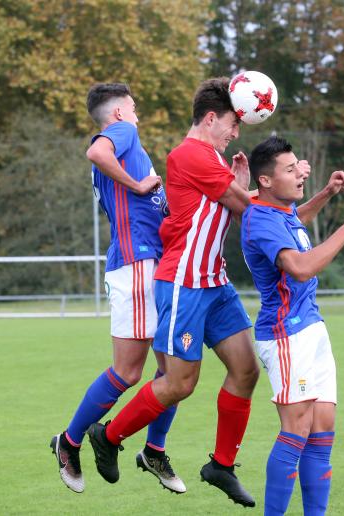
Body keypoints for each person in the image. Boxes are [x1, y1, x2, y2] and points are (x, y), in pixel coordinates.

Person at [85, 77, 260, 507]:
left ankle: (220, 464)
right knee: (180, 382)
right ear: (212, 117)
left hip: (214, 282)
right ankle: (106, 435)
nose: (236, 133)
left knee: (246, 370)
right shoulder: (188, 154)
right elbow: (248, 210)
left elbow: (240, 205)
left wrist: (247, 183)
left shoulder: (211, 160)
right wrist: (285, 194)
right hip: (183, 281)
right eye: (234, 124)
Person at [49, 83, 185, 495]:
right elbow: (96, 151)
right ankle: (70, 443)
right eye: (135, 106)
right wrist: (140, 185)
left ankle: (153, 450)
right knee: (132, 371)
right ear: (120, 113)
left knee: (174, 370)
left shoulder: (130, 145)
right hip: (137, 263)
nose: (138, 113)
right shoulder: (124, 134)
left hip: (149, 263)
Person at [241, 137, 344, 515]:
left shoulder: (280, 212)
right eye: (289, 169)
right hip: (285, 334)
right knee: (295, 431)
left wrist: (327, 193)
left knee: (322, 432)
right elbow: (299, 268)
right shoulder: (260, 220)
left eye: (297, 165)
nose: (300, 173)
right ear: (265, 182)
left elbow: (296, 222)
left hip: (312, 328)